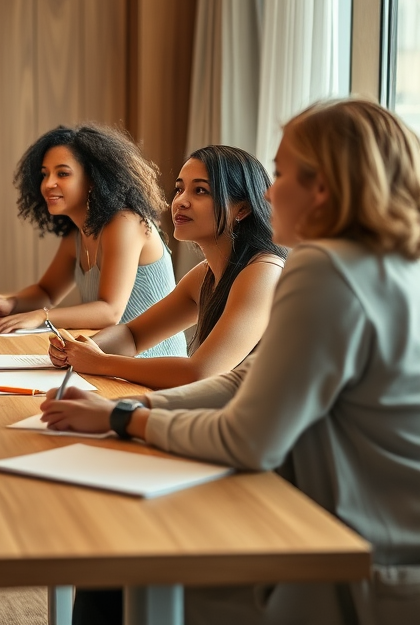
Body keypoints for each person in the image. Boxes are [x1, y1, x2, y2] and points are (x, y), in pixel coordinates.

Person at [40, 99, 420, 625]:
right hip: (358, 528)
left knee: (118, 559)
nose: (269, 191)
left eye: (282, 173)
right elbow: (245, 379)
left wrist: (127, 415)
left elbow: (246, 437)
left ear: (324, 189)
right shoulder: (385, 266)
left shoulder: (318, 269)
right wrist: (123, 408)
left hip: (356, 555)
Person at [48, 146, 286, 389]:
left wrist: (100, 362)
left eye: (200, 191)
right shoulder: (204, 275)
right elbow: (132, 335)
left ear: (242, 209)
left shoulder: (264, 272)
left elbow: (201, 372)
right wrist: (79, 348)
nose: (180, 201)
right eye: (180, 189)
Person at [0, 124, 186, 358]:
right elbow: (46, 292)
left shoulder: (126, 223)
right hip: (109, 358)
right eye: (45, 174)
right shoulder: (76, 234)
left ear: (93, 180)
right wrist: (11, 304)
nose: (47, 184)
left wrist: (41, 315)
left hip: (152, 363)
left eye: (62, 173)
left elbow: (110, 311)